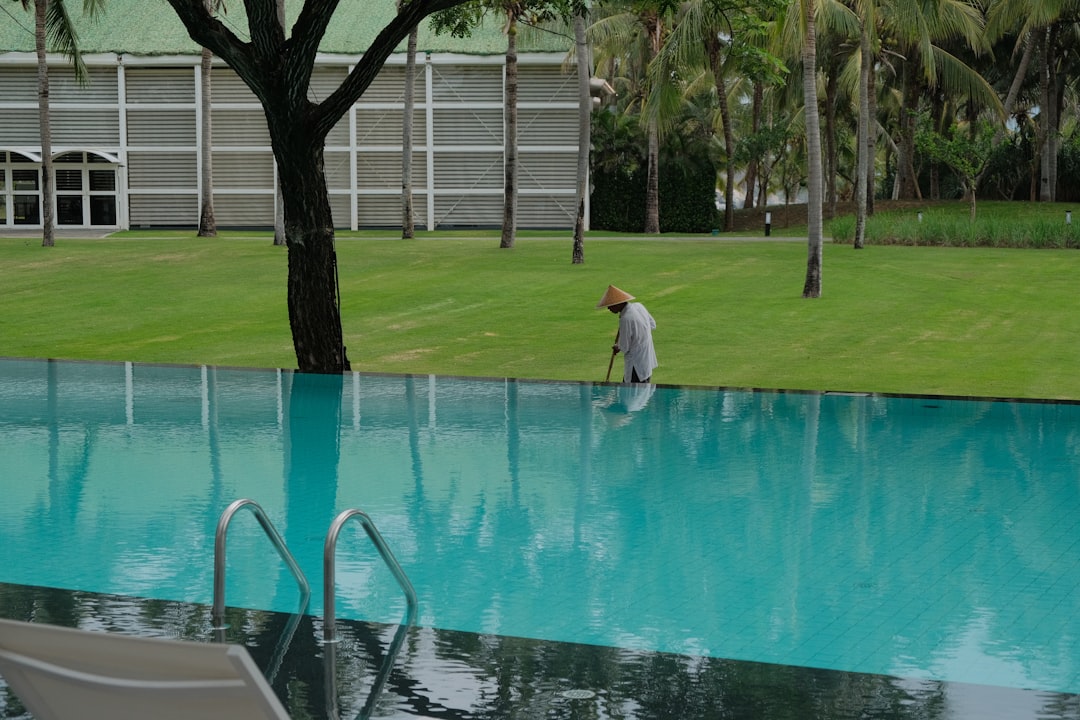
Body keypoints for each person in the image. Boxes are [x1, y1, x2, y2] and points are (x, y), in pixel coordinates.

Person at [596, 285, 657, 383]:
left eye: (610, 305)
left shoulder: (625, 318)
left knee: (631, 394)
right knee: (643, 392)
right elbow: (652, 325)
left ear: (618, 304)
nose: (608, 308)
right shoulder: (639, 306)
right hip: (646, 359)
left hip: (635, 366)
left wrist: (617, 347)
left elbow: (625, 347)